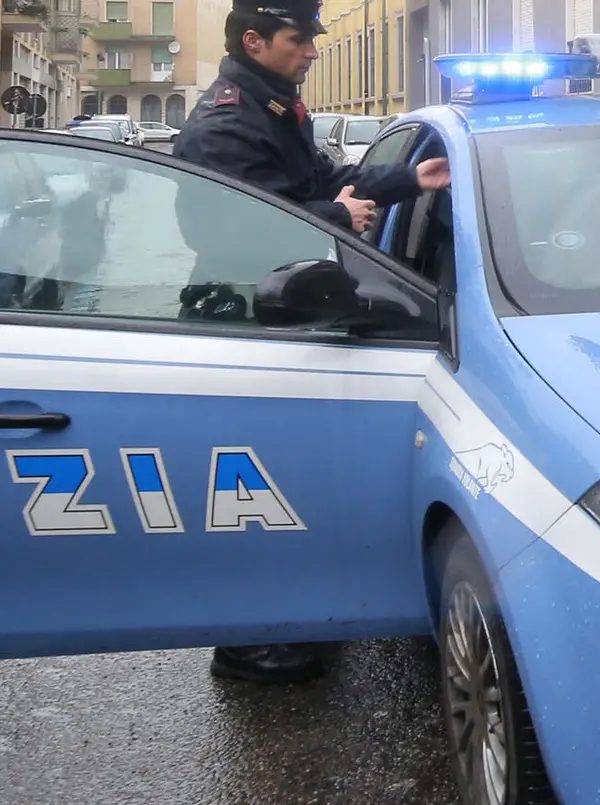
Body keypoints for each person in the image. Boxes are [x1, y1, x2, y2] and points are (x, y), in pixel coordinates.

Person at [171, 0, 451, 685]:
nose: (313, 51)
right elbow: (223, 222)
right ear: (255, 39)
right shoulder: (228, 119)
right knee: (247, 484)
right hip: (244, 310)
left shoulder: (274, 102)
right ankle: (244, 645)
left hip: (281, 303)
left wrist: (409, 179)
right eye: (300, 39)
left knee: (280, 474)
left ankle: (283, 615)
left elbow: (324, 180)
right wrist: (335, 217)